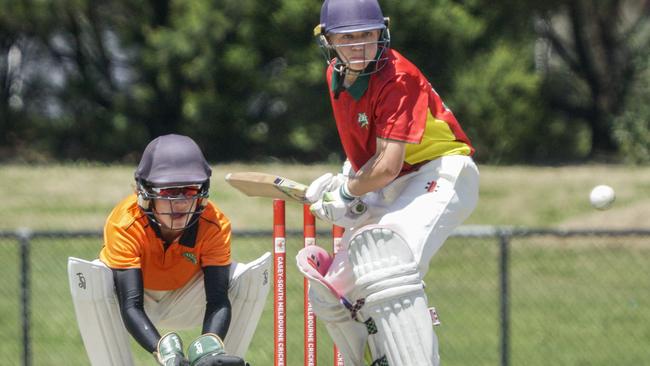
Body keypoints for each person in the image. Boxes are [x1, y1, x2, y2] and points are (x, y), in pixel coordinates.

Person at [296, 1, 480, 365]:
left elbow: (388, 165)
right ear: (328, 40)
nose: (359, 46)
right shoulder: (335, 74)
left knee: (387, 260)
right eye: (347, 38)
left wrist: (348, 191)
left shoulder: (398, 76)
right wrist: (345, 183)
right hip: (395, 181)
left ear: (382, 31)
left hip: (440, 172)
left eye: (368, 35)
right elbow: (369, 155)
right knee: (333, 289)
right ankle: (376, 356)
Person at [68, 134, 271, 366]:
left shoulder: (213, 222)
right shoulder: (125, 222)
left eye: (189, 190)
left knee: (248, 275)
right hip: (129, 303)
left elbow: (217, 300)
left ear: (202, 192)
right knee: (91, 273)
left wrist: (209, 350)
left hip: (188, 301)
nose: (180, 202)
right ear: (145, 193)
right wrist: (164, 353)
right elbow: (131, 305)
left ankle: (217, 361)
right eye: (168, 191)